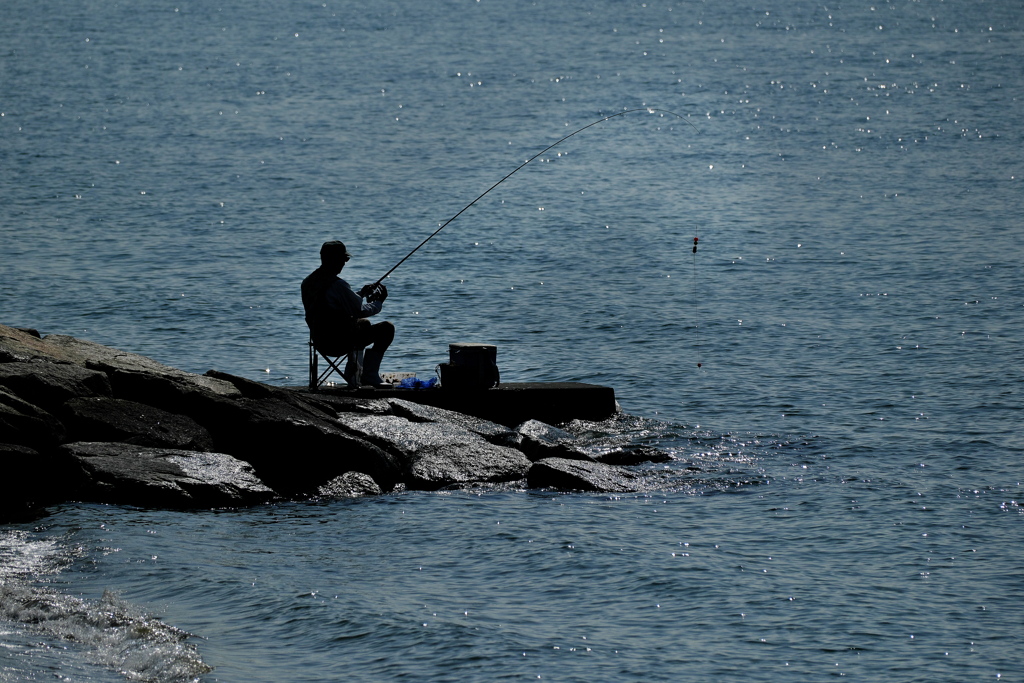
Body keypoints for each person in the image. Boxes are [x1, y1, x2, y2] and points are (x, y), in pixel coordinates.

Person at [301, 240, 394, 386]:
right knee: (387, 328)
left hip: (320, 341)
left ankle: (354, 372)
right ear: (335, 259)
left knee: (363, 324)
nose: (345, 263)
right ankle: (368, 375)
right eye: (344, 259)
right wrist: (379, 302)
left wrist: (361, 293)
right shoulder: (337, 284)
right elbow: (358, 311)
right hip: (339, 342)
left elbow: (332, 304)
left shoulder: (308, 282)